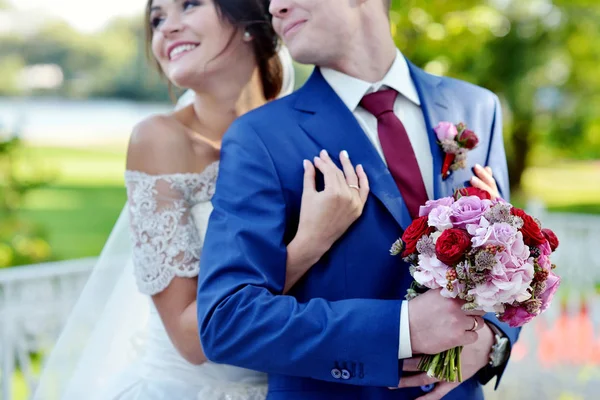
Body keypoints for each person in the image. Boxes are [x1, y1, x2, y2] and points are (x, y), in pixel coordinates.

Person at [33, 1, 371, 399]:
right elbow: (191, 339)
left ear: (249, 22)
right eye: (157, 19)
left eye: (189, 5)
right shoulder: (161, 142)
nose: (167, 29)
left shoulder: (311, 135)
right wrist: (309, 244)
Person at [197, 0, 519, 399]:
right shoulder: (259, 138)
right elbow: (227, 322)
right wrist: (402, 327)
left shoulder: (476, 107)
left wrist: (492, 340)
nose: (275, 7)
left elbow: (515, 263)